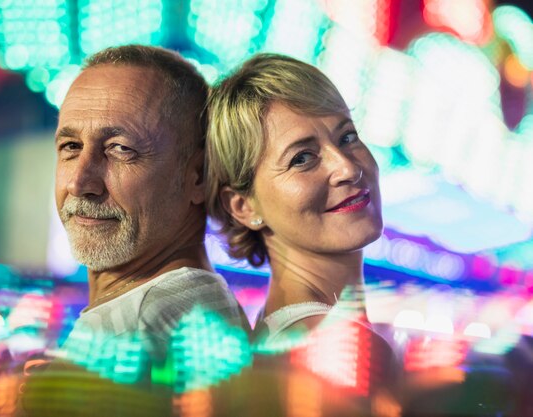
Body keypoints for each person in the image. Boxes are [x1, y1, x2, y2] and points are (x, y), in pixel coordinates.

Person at [53, 45, 247, 368]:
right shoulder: (196, 306)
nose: (79, 182)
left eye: (120, 148)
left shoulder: (130, 333)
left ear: (197, 176)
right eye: (71, 146)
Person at [206, 53, 383, 342]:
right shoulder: (340, 348)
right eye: (302, 158)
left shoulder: (286, 330)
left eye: (347, 137)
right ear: (244, 206)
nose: (347, 168)